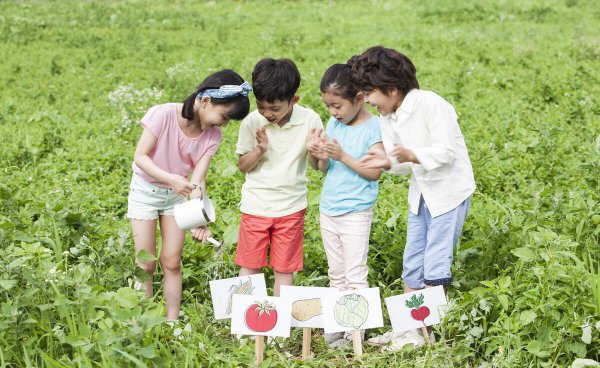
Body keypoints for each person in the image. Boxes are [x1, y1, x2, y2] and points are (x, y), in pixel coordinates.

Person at [351, 46, 476, 351]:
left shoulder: (432, 105)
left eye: (370, 92)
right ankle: (409, 328)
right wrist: (386, 162)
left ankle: (429, 334)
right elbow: (401, 164)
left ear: (392, 89)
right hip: (422, 195)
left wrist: (413, 154)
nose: (367, 100)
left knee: (434, 264)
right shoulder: (388, 115)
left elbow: (446, 153)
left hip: (448, 194)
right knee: (412, 263)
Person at [127, 69, 251, 321]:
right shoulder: (163, 114)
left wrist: (198, 217)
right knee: (146, 263)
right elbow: (140, 158)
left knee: (171, 261)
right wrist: (170, 178)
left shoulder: (213, 136)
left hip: (176, 197)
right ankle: (143, 320)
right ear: (206, 101)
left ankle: (171, 321)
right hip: (145, 192)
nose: (224, 124)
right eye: (224, 117)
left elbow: (198, 180)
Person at [306, 62, 384, 347]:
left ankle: (356, 333)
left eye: (337, 106)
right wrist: (316, 153)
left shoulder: (373, 126)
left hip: (355, 212)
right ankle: (338, 326)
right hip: (329, 209)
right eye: (328, 106)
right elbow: (323, 167)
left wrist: (342, 155)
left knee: (355, 273)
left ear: (360, 99)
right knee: (335, 273)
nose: (332, 112)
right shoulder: (334, 123)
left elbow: (374, 171)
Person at [235, 58, 323, 297]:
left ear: (293, 100)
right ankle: (246, 325)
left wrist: (317, 152)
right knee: (250, 265)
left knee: (285, 269)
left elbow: (318, 166)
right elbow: (243, 166)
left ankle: (278, 325)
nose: (267, 114)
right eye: (262, 106)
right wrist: (258, 151)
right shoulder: (252, 121)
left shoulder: (310, 120)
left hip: (291, 206)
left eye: (274, 109)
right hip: (256, 205)